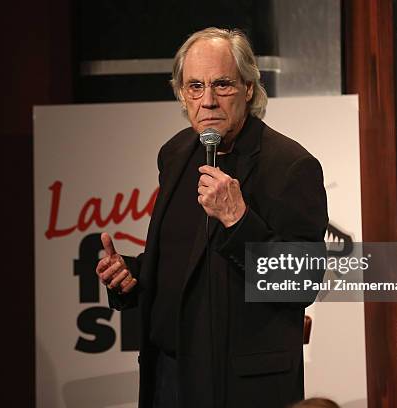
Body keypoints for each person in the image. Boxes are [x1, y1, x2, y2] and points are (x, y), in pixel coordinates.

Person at [95, 27, 328, 408]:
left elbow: (301, 282)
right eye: (195, 86)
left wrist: (238, 219)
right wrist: (131, 277)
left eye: (222, 85)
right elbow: (185, 266)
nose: (208, 101)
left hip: (242, 386)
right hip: (169, 374)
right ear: (181, 94)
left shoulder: (290, 166)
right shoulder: (175, 154)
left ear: (249, 89)